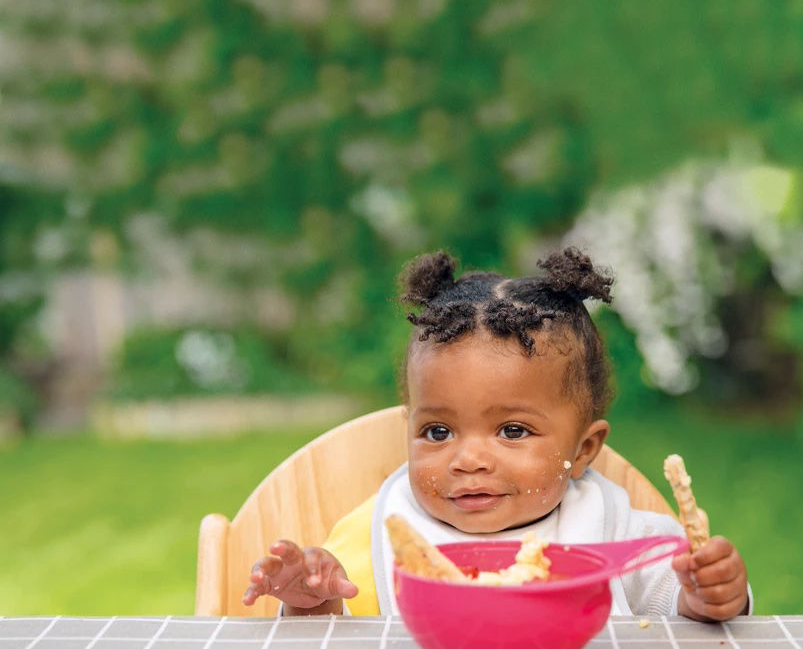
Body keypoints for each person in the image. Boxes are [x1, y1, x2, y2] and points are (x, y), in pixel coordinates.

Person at [242, 248, 750, 621]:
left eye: (511, 430)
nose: (469, 460)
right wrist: (315, 603)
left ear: (583, 450)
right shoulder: (384, 528)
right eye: (438, 431)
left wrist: (708, 597)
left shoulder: (608, 529)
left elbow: (682, 621)